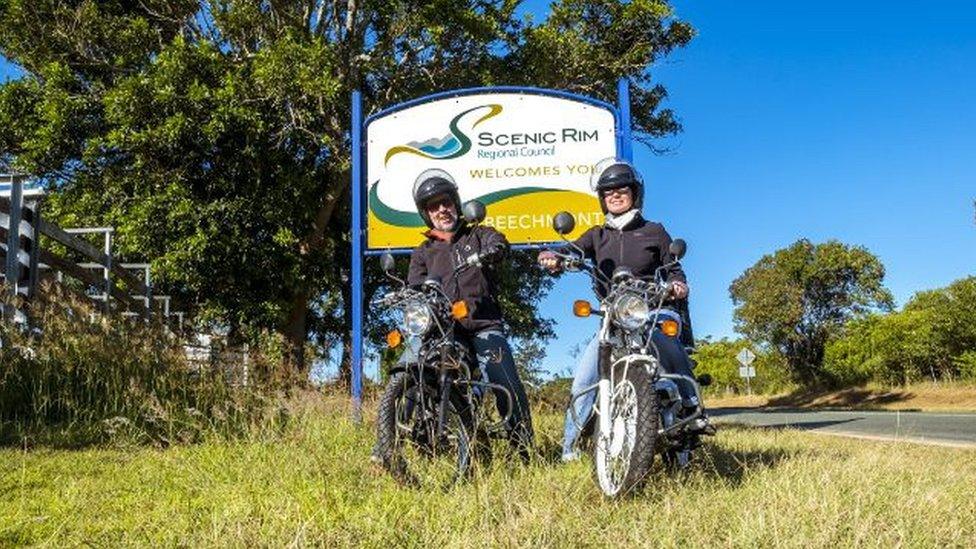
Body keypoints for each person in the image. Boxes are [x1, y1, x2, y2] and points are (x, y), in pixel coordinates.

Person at [537, 159, 707, 462]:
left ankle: (692, 413)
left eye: (622, 190)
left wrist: (678, 285)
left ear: (635, 193)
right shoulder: (596, 235)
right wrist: (553, 256)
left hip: (653, 309)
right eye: (609, 192)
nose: (615, 195)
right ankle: (570, 449)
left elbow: (673, 268)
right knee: (585, 377)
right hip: (614, 315)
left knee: (671, 353)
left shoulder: (654, 231)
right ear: (602, 198)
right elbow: (571, 251)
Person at [390, 168, 534, 456]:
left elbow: (500, 243)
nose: (442, 210)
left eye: (446, 202)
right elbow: (414, 287)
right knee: (407, 368)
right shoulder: (423, 251)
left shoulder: (479, 234)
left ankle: (523, 446)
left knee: (503, 376)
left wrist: (495, 250)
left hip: (482, 324)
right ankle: (389, 446)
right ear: (426, 214)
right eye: (434, 206)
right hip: (441, 328)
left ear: (456, 204)